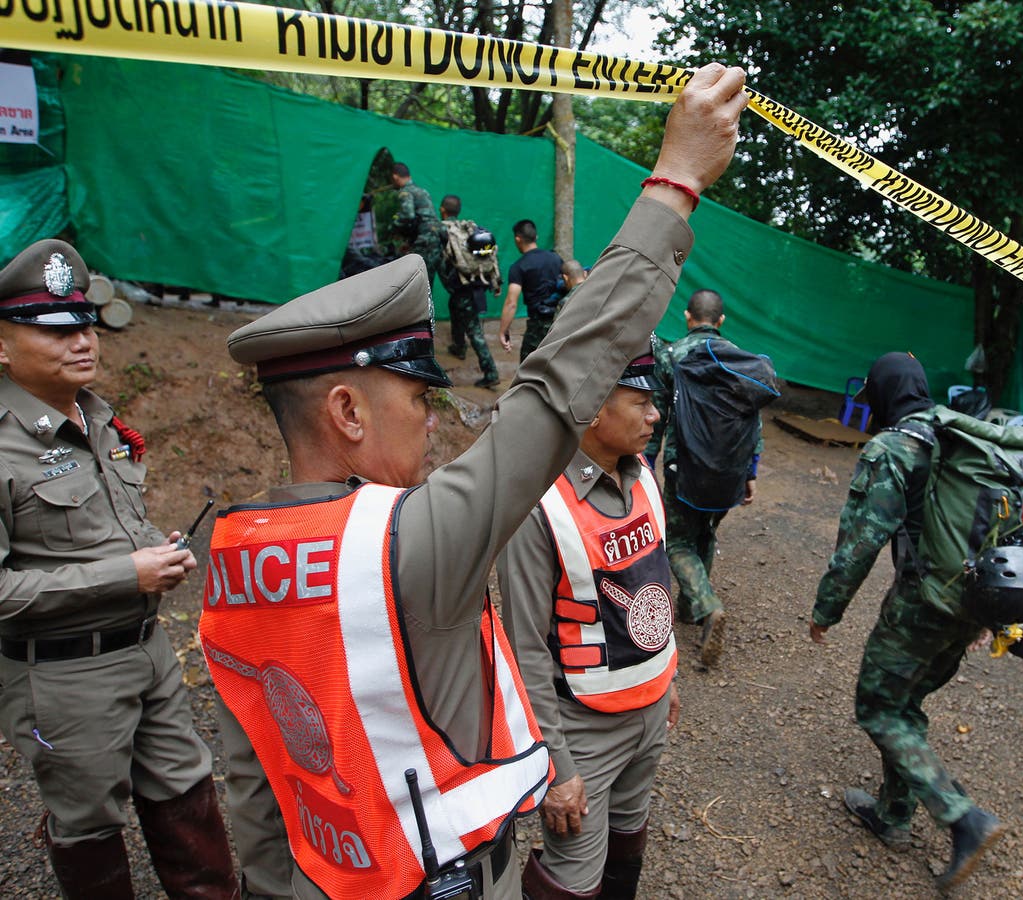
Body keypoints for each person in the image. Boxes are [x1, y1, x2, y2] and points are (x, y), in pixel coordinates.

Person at [201, 62, 749, 900]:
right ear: (348, 411)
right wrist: (674, 183)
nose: (433, 421)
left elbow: (256, 774)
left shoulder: (234, 555)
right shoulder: (410, 541)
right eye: (418, 398)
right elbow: (558, 386)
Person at [0, 240, 238, 899]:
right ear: (1, 345)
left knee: (186, 792)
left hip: (148, 651)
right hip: (65, 675)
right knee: (88, 825)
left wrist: (151, 553)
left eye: (84, 325)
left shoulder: (96, 416)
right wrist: (122, 574)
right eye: (55, 331)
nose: (82, 341)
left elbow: (95, 529)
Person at [808, 351, 1004, 892]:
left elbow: (862, 539)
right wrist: (988, 616)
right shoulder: (963, 439)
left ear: (883, 395)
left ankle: (964, 817)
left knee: (877, 707)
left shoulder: (894, 446)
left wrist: (828, 609)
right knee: (906, 704)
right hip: (970, 605)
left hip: (920, 604)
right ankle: (892, 817)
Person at [497, 347, 679, 899]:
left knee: (629, 839)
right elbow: (524, 648)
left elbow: (657, 583)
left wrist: (668, 676)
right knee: (573, 877)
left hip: (650, 711)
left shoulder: (644, 474)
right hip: (586, 732)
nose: (655, 415)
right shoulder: (537, 506)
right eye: (642, 401)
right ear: (594, 407)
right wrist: (558, 766)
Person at [648, 289, 764, 668]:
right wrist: (751, 472)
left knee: (677, 541)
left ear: (687, 316)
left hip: (685, 468)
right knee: (706, 532)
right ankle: (689, 607)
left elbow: (657, 414)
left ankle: (707, 603)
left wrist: (646, 462)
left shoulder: (671, 355)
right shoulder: (740, 358)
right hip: (730, 470)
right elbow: (754, 419)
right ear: (721, 321)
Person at [438, 193, 501, 388]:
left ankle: (491, 372)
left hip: (464, 287)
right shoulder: (468, 229)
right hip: (473, 284)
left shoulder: (444, 231)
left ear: (442, 210)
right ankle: (458, 346)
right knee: (454, 307)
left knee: (474, 330)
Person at [498, 219, 564, 361]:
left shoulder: (519, 266)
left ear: (517, 239)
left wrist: (503, 331)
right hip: (560, 322)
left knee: (528, 369)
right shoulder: (556, 258)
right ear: (536, 237)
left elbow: (511, 302)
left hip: (537, 326)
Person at [382, 161, 444, 283]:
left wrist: (393, 228)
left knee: (416, 281)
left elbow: (408, 215)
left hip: (424, 239)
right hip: (437, 237)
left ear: (395, 177)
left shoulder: (406, 192)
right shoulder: (422, 191)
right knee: (428, 280)